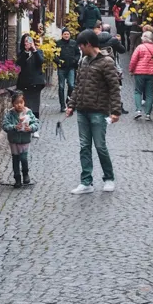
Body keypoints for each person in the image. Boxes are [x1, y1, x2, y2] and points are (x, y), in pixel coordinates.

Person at [66, 29, 122, 193]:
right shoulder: (83, 61)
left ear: (88, 44)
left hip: (99, 111)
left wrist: (116, 112)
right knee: (84, 146)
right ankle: (86, 182)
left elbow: (114, 88)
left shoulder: (106, 62)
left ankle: (109, 178)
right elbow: (78, 86)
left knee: (100, 146)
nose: (80, 49)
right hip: (82, 111)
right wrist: (71, 105)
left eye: (81, 46)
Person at [2, 90, 39, 188]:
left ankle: (25, 173)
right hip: (14, 141)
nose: (19, 105)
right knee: (15, 159)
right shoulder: (10, 114)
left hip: (24, 140)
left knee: (23, 158)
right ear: (13, 104)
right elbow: (5, 125)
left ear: (24, 102)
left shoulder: (28, 112)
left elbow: (36, 123)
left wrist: (30, 128)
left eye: (21, 102)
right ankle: (17, 178)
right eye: (16, 103)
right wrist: (14, 127)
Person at [129, 31, 153, 121]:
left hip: (140, 72)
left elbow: (133, 60)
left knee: (138, 91)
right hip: (152, 73)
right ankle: (148, 114)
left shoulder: (140, 47)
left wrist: (131, 70)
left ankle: (138, 111)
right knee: (149, 94)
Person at [16, 33, 46, 119]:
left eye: (29, 41)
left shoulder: (38, 52)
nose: (28, 43)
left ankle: (34, 125)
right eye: (25, 41)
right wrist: (26, 52)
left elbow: (40, 62)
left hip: (36, 82)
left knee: (35, 105)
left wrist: (34, 50)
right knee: (25, 105)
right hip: (25, 83)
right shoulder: (21, 53)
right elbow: (19, 63)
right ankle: (26, 124)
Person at [55, 28, 79, 113]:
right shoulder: (57, 43)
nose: (66, 36)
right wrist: (58, 61)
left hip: (71, 68)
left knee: (71, 85)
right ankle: (62, 105)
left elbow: (78, 54)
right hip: (61, 68)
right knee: (61, 87)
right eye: (65, 34)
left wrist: (75, 60)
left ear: (70, 35)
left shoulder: (74, 43)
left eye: (67, 34)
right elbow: (54, 54)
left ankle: (69, 102)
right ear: (62, 35)